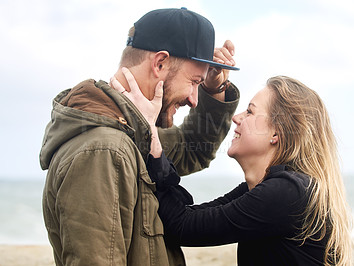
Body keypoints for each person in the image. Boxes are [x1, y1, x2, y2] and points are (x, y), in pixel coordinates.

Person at [40, 8, 240, 265]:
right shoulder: (105, 150)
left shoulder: (131, 133)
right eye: (193, 82)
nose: (193, 99)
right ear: (159, 64)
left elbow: (192, 149)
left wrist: (214, 89)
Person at [118, 75, 354, 265]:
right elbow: (186, 216)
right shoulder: (266, 189)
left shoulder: (287, 192)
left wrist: (149, 132)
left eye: (250, 112)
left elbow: (182, 226)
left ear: (276, 134)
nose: (237, 118)